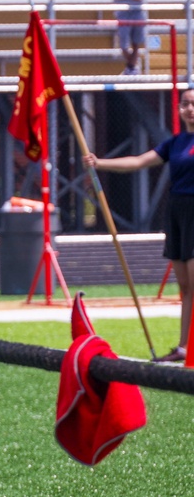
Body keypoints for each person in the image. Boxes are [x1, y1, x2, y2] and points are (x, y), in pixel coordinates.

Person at [84, 87, 194, 363]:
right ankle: (184, 348)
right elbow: (137, 161)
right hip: (177, 212)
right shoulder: (175, 143)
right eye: (185, 104)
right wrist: (100, 163)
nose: (190, 109)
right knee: (186, 287)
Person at [117, 0, 147, 76]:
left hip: (137, 10)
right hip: (122, 12)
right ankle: (132, 67)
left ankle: (131, 68)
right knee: (123, 45)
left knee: (136, 43)